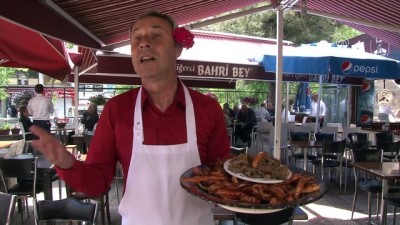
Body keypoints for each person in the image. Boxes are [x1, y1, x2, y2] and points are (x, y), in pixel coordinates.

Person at [29, 11, 229, 225]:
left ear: (177, 48)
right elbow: (97, 185)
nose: (144, 43)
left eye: (156, 35)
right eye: (137, 38)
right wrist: (67, 164)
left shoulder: (207, 109)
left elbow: (224, 181)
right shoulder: (117, 110)